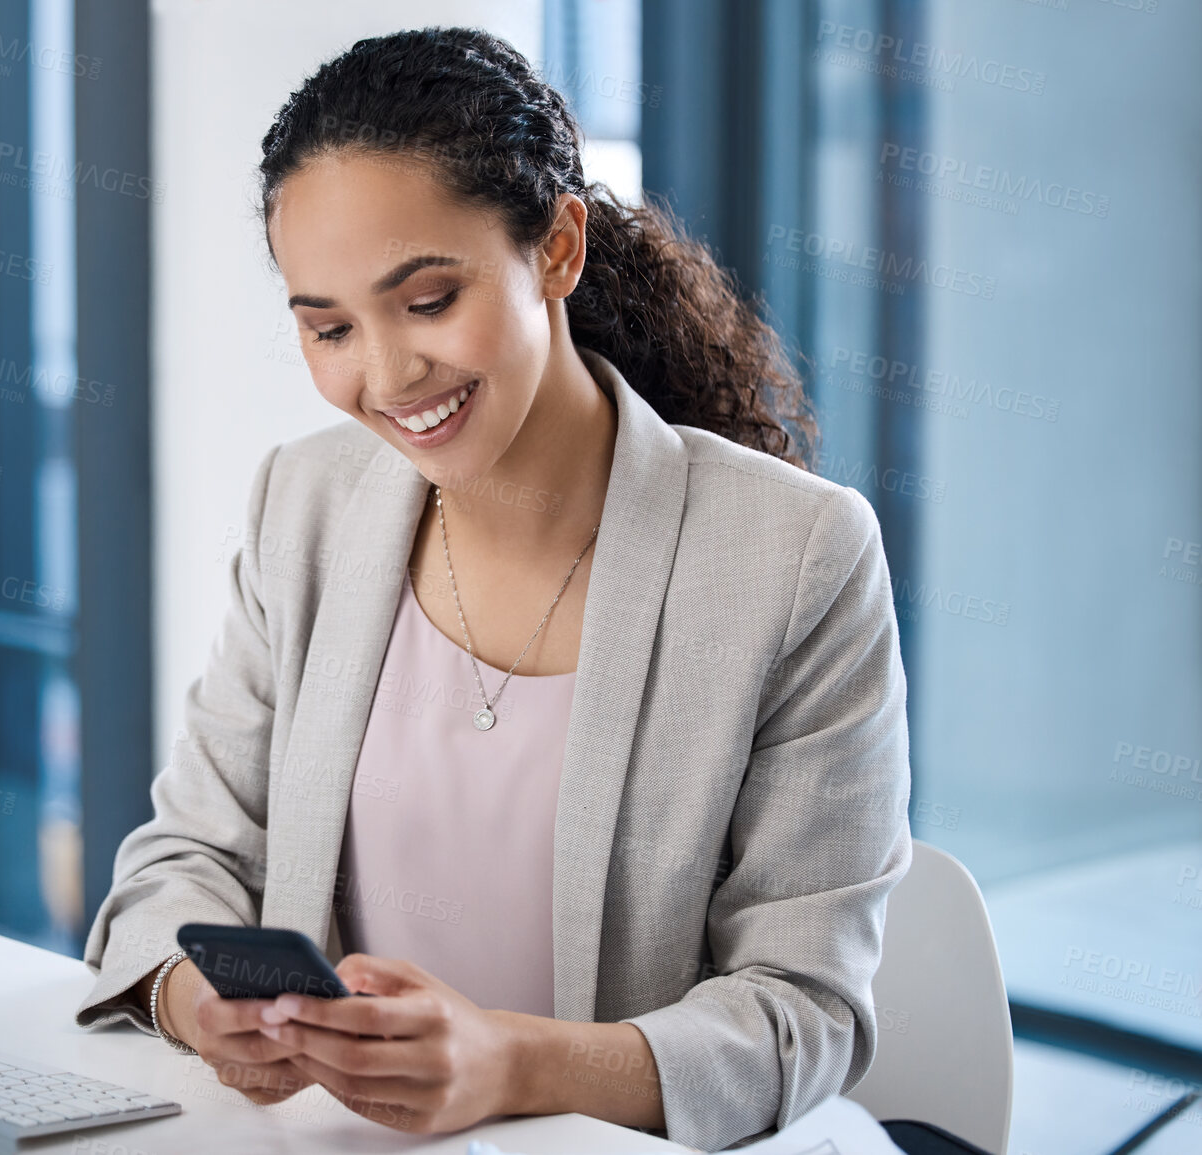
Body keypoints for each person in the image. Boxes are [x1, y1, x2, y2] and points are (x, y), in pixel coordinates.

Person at [74, 25, 911, 1152]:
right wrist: (201, 1001)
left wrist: (508, 1066)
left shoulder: (796, 557)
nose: (386, 375)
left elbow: (802, 1011)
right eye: (328, 327)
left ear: (557, 249)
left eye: (426, 301)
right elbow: (184, 860)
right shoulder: (307, 506)